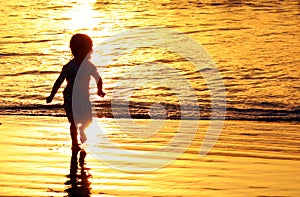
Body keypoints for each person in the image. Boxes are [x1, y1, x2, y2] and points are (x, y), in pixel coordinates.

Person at [46, 34, 105, 151]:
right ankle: (75, 143)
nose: (89, 52)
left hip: (84, 99)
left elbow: (98, 78)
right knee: (73, 122)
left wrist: (100, 90)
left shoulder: (89, 66)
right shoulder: (69, 67)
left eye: (89, 50)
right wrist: (51, 96)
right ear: (74, 51)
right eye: (86, 50)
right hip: (70, 99)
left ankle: (82, 130)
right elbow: (59, 81)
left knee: (88, 120)